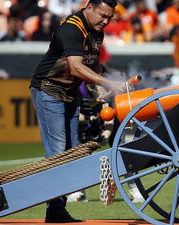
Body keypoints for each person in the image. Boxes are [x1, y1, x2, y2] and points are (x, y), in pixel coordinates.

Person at [29, 0, 125, 222]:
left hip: (70, 93)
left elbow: (93, 66)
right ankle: (54, 209)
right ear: (88, 8)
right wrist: (108, 83)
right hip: (48, 89)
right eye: (103, 15)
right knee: (58, 151)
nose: (106, 21)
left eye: (110, 17)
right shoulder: (72, 28)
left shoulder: (97, 32)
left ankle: (57, 210)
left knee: (73, 151)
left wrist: (98, 90)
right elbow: (76, 67)